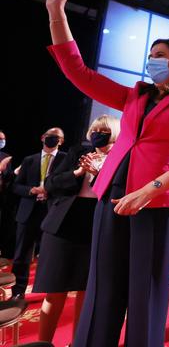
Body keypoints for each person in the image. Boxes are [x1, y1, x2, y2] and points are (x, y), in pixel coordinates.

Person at [45, 0, 169, 347]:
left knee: (146, 296)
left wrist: (150, 189)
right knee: (102, 291)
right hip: (112, 198)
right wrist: (56, 15)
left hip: (158, 206)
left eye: (159, 56)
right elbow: (79, 73)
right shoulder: (135, 95)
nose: (151, 61)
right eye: (149, 56)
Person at [33, 114, 120, 344]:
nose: (97, 134)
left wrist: (99, 172)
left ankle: (77, 342)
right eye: (95, 129)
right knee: (55, 291)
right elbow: (50, 184)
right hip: (62, 227)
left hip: (95, 228)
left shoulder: (121, 159)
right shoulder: (76, 153)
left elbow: (118, 194)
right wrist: (78, 173)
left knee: (86, 293)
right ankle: (44, 343)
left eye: (104, 130)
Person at [11, 127, 67, 299]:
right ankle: (18, 291)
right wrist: (31, 190)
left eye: (56, 137)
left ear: (61, 141)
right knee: (22, 253)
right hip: (29, 211)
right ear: (42, 137)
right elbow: (15, 186)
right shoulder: (29, 160)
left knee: (51, 254)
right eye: (49, 136)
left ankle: (47, 292)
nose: (52, 139)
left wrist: (50, 190)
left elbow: (69, 185)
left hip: (52, 211)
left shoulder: (66, 159)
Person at [0, 129, 17, 259]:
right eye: (0, 139)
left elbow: (8, 178)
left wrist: (14, 173)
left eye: (3, 139)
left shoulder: (6, 156)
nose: (2, 141)